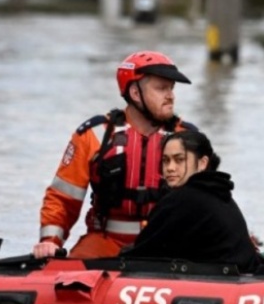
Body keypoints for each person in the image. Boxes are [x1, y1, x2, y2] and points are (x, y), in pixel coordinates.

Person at [33, 51, 196, 259]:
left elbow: (212, 198)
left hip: (167, 242)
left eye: (171, 89)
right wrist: (49, 242)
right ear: (135, 93)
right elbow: (63, 198)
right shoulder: (94, 135)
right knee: (68, 278)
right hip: (105, 241)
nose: (171, 96)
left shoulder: (188, 138)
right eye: (161, 88)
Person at [120, 131, 264, 273]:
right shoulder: (219, 193)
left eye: (179, 160)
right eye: (165, 160)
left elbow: (140, 255)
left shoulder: (182, 200)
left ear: (202, 163)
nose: (170, 168)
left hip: (223, 283)